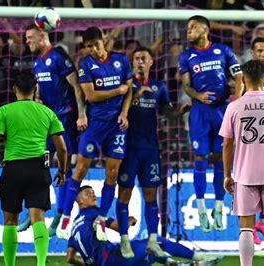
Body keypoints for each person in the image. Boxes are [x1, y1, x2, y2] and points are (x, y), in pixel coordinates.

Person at [0, 72, 68, 266]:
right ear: (36, 89)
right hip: (39, 168)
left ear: (13, 89)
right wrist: (62, 170)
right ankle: (41, 263)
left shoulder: (4, 111)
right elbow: (62, 148)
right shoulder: (47, 112)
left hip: (13, 169)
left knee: (10, 221)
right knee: (39, 219)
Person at [56, 27, 133, 241]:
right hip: (95, 124)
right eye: (88, 46)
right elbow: (91, 95)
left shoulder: (121, 60)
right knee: (80, 169)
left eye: (95, 44)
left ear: (104, 40)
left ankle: (101, 220)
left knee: (112, 174)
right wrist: (117, 91)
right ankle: (65, 217)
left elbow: (130, 90)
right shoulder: (86, 64)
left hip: (116, 126)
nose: (93, 49)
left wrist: (125, 113)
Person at [116, 46, 187, 258]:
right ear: (132, 63)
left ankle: (153, 240)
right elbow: (120, 112)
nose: (139, 61)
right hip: (128, 148)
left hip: (150, 148)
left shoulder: (159, 87)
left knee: (150, 195)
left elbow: (167, 111)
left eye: (143, 58)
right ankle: (124, 240)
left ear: (151, 62)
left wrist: (179, 111)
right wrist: (136, 95)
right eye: (136, 58)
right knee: (124, 195)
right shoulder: (126, 86)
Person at [17, 24, 88, 235]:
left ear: (42, 36)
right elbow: (41, 90)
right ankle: (33, 212)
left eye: (30, 37)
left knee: (64, 167)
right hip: (46, 122)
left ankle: (58, 216)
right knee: (38, 163)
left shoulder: (58, 56)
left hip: (65, 120)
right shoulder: (37, 63)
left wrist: (82, 114)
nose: (27, 41)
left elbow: (76, 85)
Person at [220, 60, 264, 266]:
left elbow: (226, 144)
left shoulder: (234, 107)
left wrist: (227, 174)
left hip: (244, 174)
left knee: (246, 228)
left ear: (243, 79)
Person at [179, 15, 243, 232]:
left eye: (192, 27)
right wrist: (197, 95)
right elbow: (186, 86)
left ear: (204, 29)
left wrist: (237, 95)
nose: (188, 31)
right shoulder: (186, 56)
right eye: (187, 28)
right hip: (199, 112)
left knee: (220, 158)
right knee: (200, 158)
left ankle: (218, 206)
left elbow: (238, 76)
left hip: (222, 110)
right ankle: (200, 208)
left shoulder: (224, 51)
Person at [66, 185, 220, 266]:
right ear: (79, 202)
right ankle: (199, 257)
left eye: (92, 192)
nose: (92, 195)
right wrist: (130, 221)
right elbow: (120, 228)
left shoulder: (73, 228)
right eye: (87, 193)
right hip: (113, 258)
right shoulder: (93, 213)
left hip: (107, 262)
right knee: (156, 243)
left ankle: (173, 263)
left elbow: (70, 259)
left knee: (148, 258)